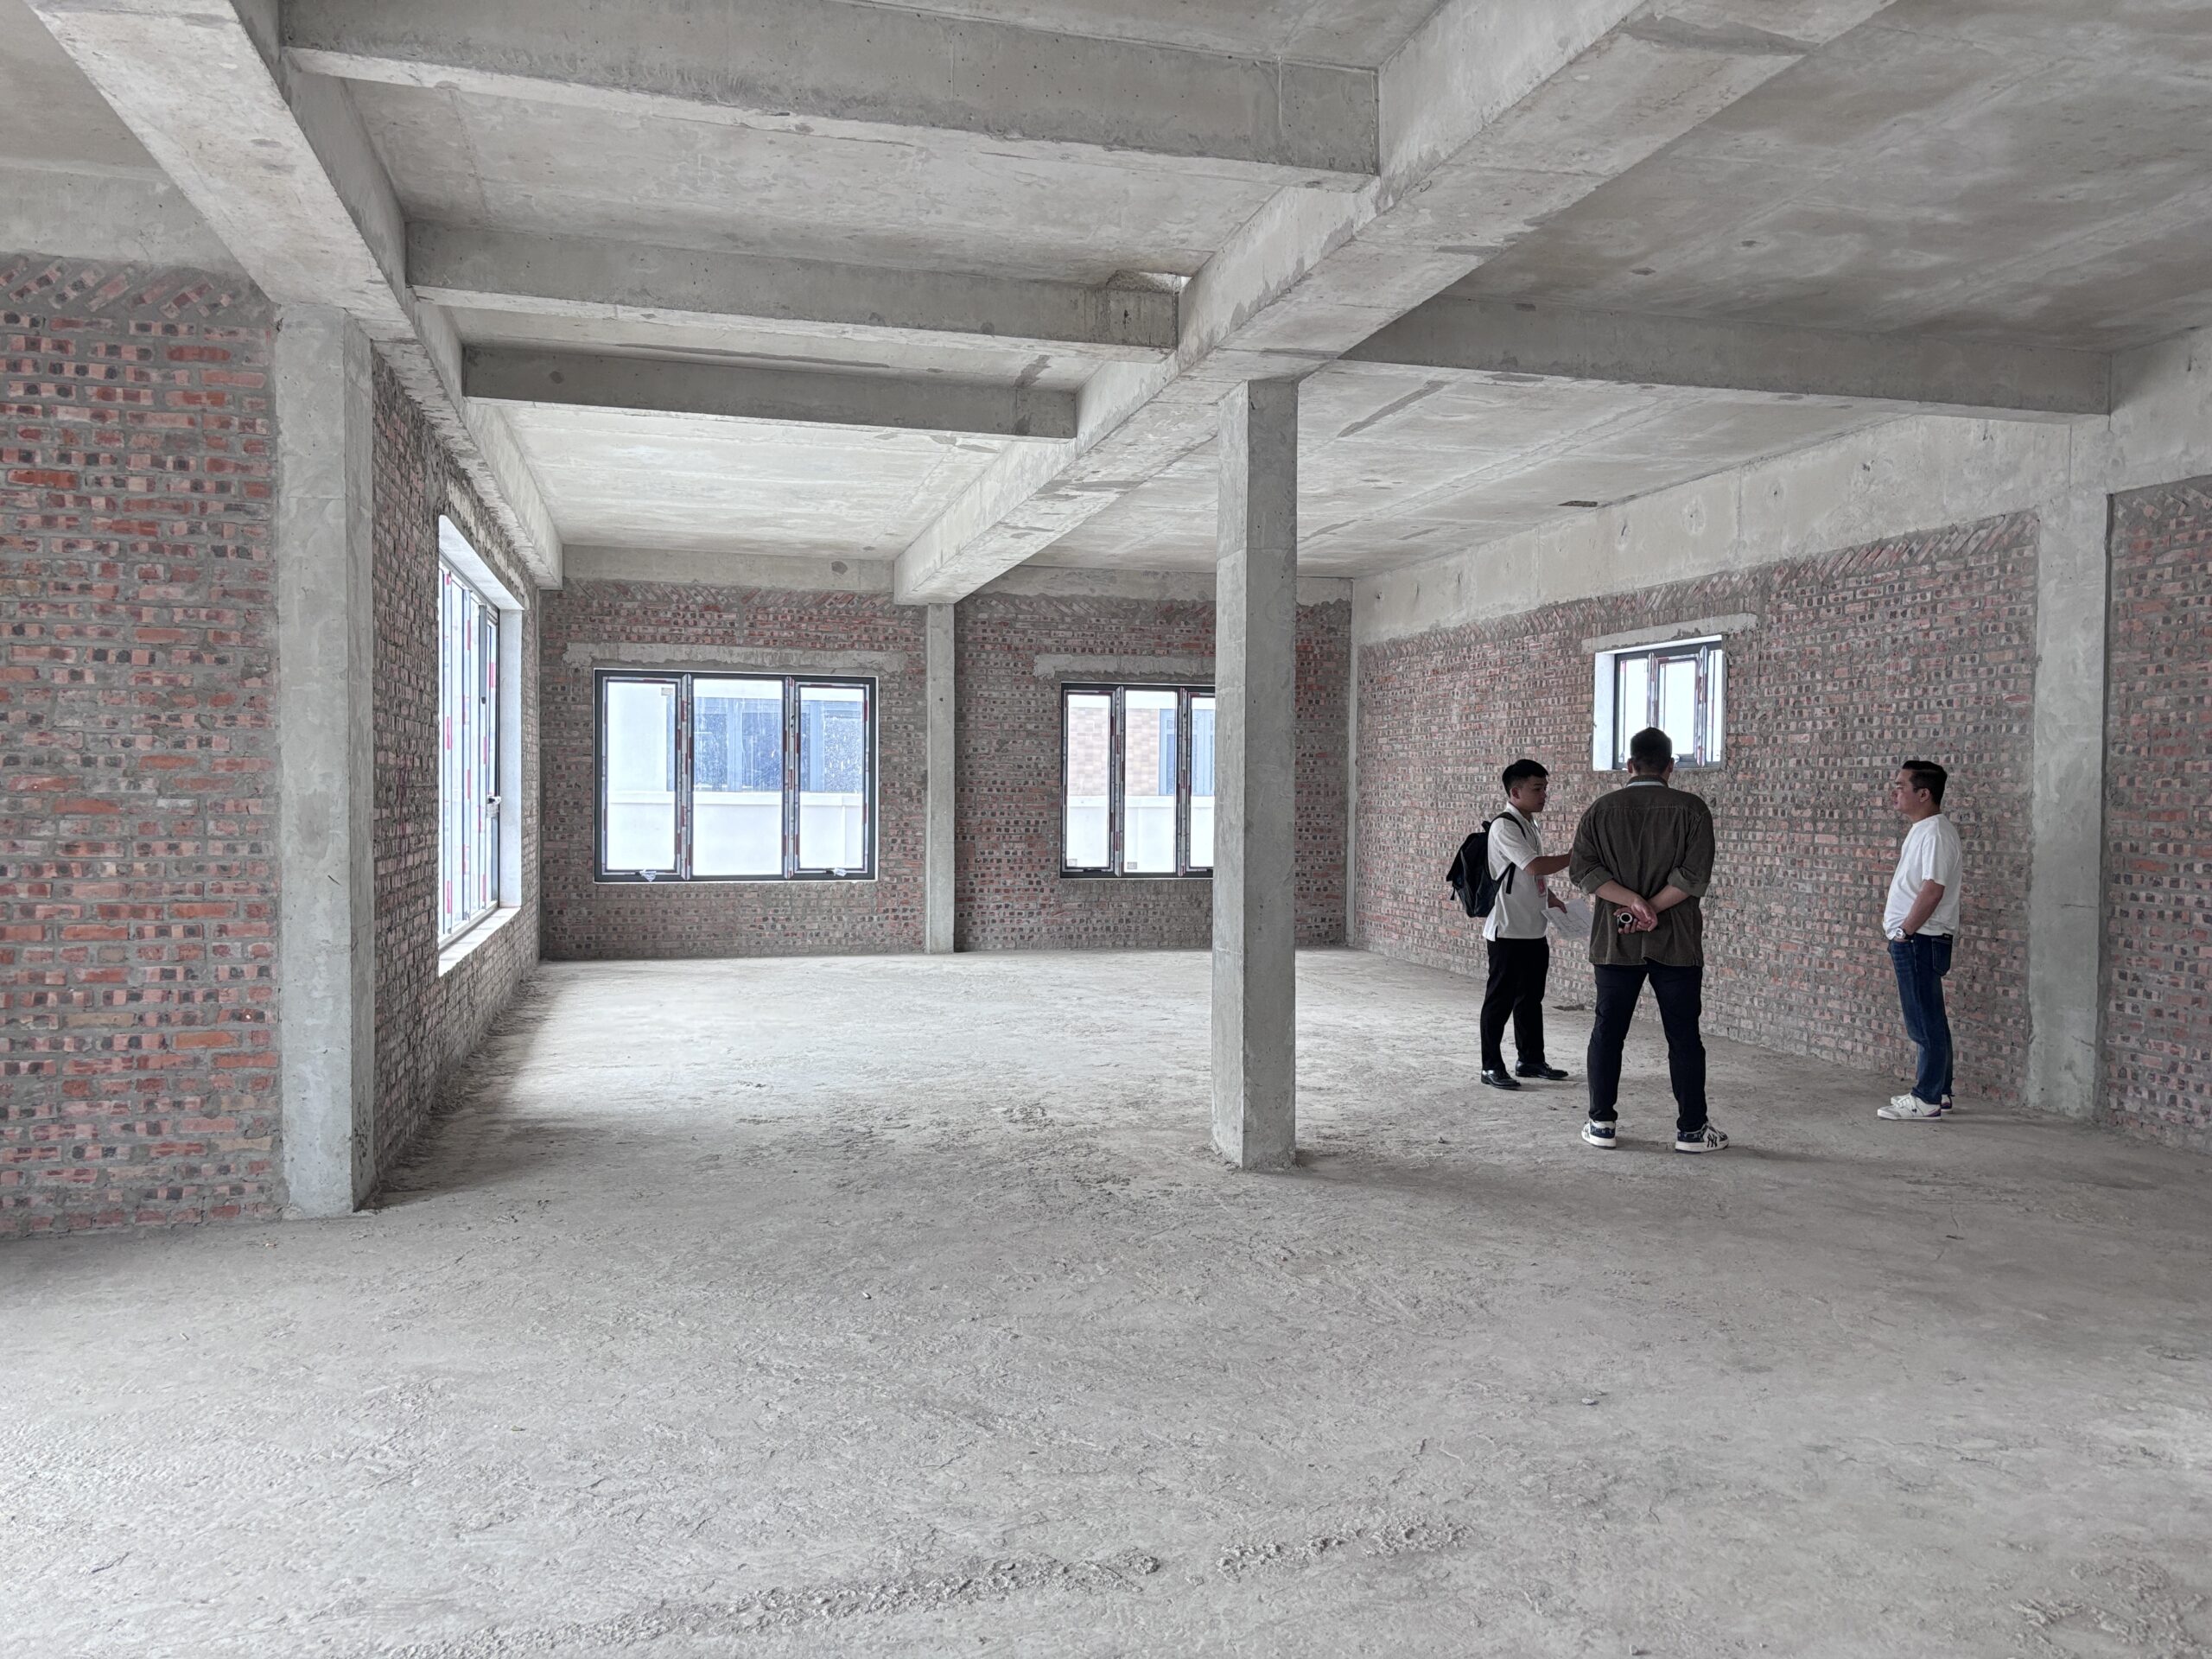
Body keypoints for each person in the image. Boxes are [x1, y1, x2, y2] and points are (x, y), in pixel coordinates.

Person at [1567, 726, 1728, 1154]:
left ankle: (1601, 1123)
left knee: (1608, 1031)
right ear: (1670, 766)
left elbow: (1583, 871)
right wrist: (1651, 907)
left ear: (1629, 765)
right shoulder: (1693, 810)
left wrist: (1632, 904)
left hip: (1615, 937)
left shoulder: (1601, 810)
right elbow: (1693, 876)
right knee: (1683, 1036)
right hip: (1676, 942)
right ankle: (1692, 1131)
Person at [1478, 759, 1573, 1090]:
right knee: (1500, 1000)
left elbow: (1529, 877)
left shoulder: (1530, 823)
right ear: (1515, 792)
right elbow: (1533, 866)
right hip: (1507, 930)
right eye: (1537, 788)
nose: (1544, 794)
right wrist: (1575, 856)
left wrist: (1551, 897)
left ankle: (1530, 1060)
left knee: (1531, 999)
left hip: (1533, 929)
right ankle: (1491, 1066)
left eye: (1545, 788)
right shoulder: (1504, 826)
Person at [1877, 760, 1962, 1122]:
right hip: (1918, 939)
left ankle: (1926, 1098)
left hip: (1920, 940)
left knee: (1923, 1023)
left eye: (1901, 786)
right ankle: (1939, 1091)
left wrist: (1905, 932)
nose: (1894, 793)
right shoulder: (1924, 830)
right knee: (1931, 1018)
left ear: (1924, 793)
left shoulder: (1936, 833)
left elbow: (1932, 890)